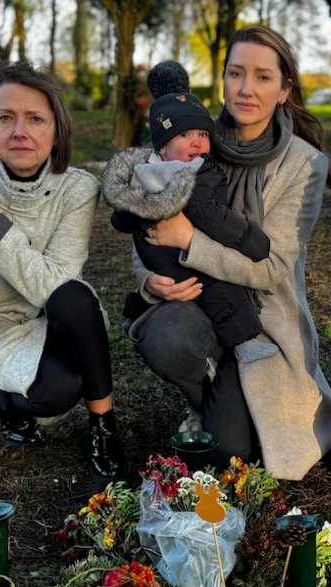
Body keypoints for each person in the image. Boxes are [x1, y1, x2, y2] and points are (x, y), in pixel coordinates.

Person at [126, 25, 331, 479]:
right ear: (221, 80)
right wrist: (145, 276)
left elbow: (273, 267)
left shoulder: (305, 164)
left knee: (229, 452)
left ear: (285, 90)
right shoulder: (193, 138)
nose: (245, 89)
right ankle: (207, 383)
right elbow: (145, 214)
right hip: (198, 298)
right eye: (235, 73)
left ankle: (231, 397)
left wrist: (188, 241)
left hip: (264, 316)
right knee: (168, 338)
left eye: (263, 77)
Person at [0, 61, 129, 485]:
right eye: (5, 118)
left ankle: (103, 430)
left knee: (75, 295)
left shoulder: (79, 189)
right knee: (57, 391)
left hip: (56, 318)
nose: (20, 131)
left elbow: (53, 284)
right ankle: (7, 397)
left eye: (35, 118)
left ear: (56, 130)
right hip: (3, 335)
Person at [105, 61, 278, 364]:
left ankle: (145, 316)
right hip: (177, 264)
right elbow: (212, 216)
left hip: (173, 258)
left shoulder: (149, 170)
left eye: (202, 133)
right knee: (220, 291)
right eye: (184, 135)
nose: (196, 141)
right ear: (161, 147)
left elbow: (124, 216)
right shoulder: (193, 173)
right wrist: (252, 241)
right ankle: (241, 341)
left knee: (212, 294)